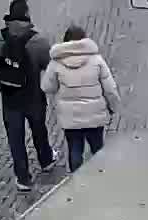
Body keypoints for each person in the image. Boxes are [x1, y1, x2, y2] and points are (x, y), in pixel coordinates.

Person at [0, 0, 55, 191]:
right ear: (27, 15)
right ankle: (46, 160)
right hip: (33, 95)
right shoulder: (38, 40)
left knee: (15, 137)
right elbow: (47, 64)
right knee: (39, 128)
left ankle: (23, 178)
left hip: (9, 96)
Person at [40, 23, 120, 171]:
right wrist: (113, 107)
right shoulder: (96, 60)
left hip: (71, 118)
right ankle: (102, 176)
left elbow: (47, 87)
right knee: (98, 150)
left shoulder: (56, 63)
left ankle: (76, 182)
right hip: (95, 115)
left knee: (75, 150)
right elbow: (110, 88)